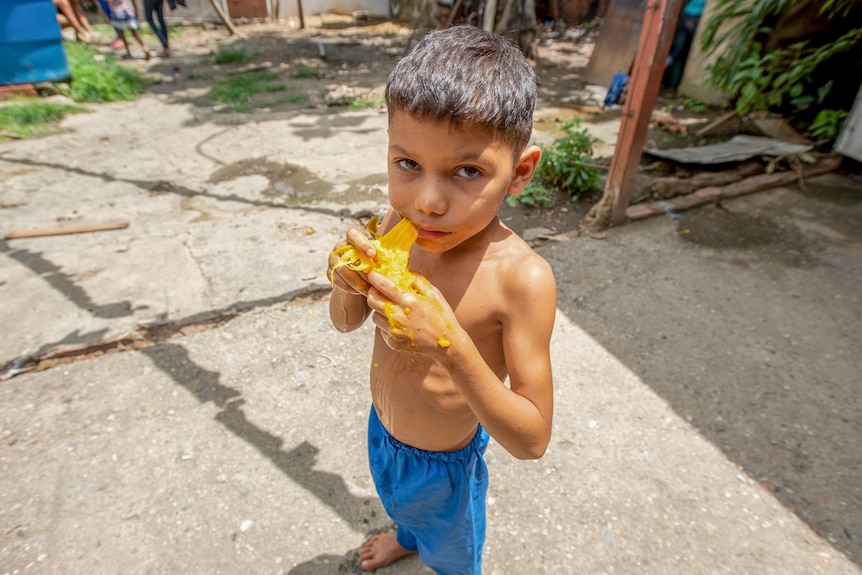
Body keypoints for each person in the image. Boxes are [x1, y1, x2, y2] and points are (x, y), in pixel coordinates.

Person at [326, 25, 556, 574]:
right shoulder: (391, 225)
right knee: (399, 504)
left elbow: (533, 438)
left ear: (519, 173)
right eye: (407, 164)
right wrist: (345, 282)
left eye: (467, 172)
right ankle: (407, 535)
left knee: (452, 557)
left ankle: (435, 551)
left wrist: (448, 347)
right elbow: (346, 323)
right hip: (384, 435)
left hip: (444, 466)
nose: (426, 203)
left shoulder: (521, 279)